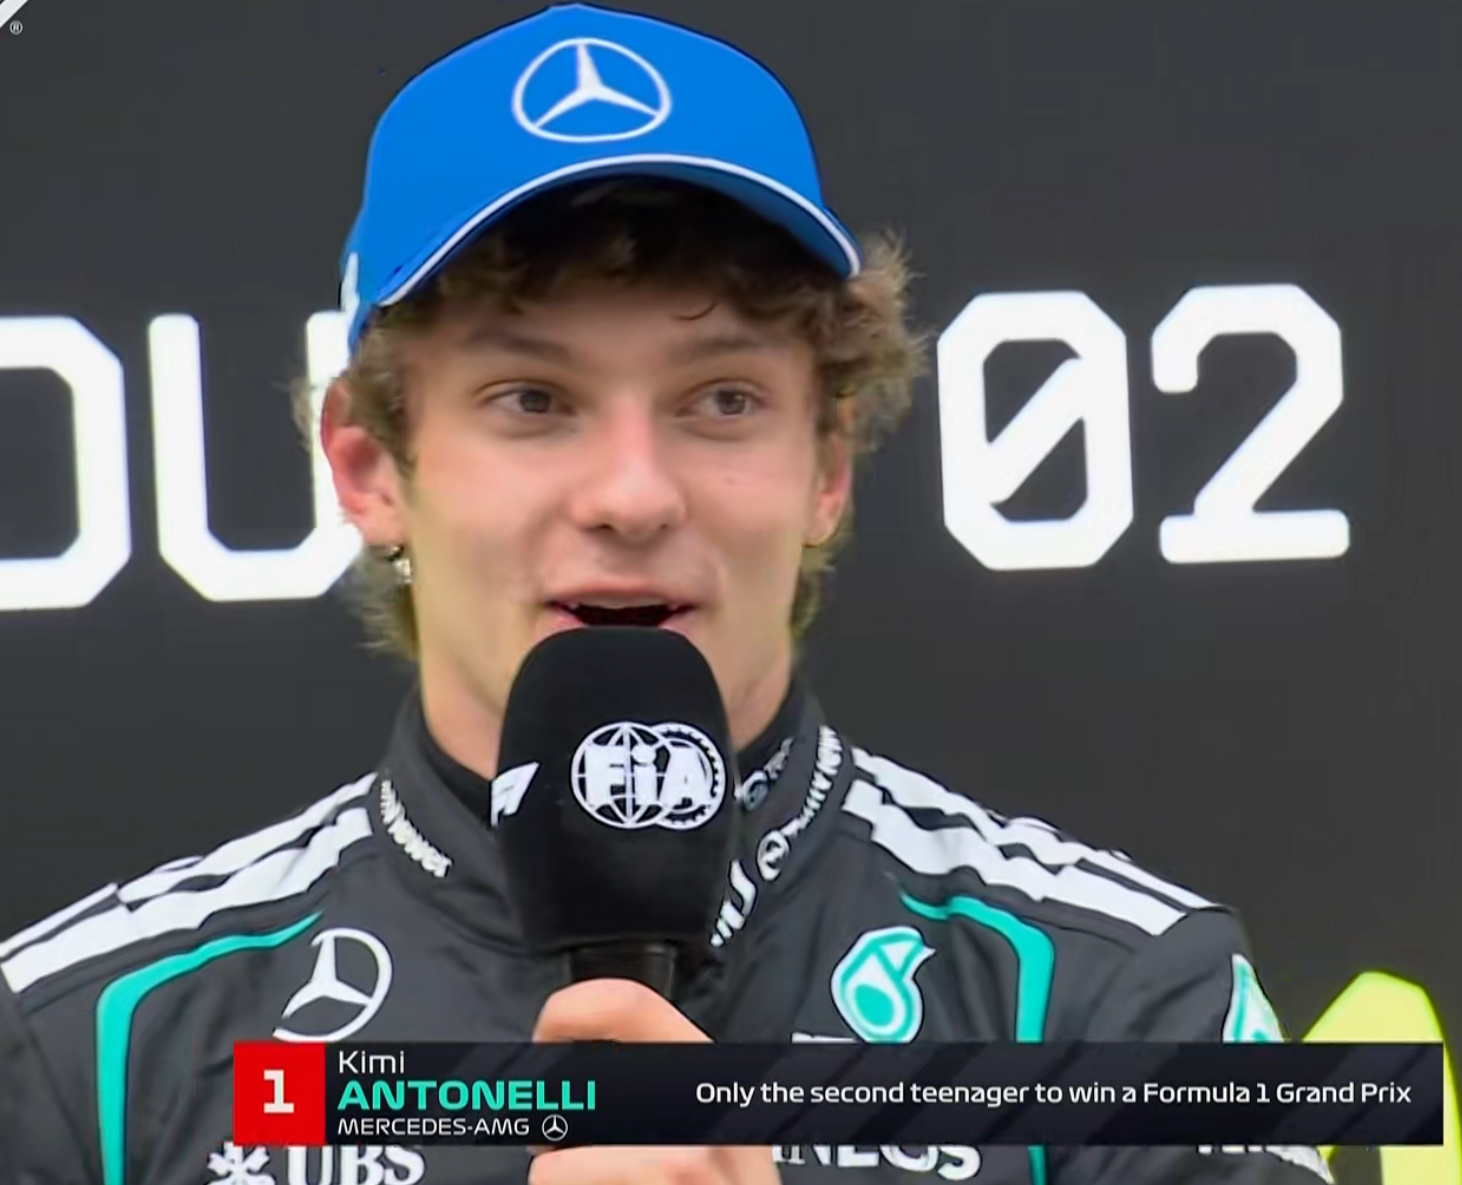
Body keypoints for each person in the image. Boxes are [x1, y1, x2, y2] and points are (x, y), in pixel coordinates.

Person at [0, 5, 1335, 1185]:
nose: (633, 495)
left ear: (826, 464)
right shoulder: (86, 1050)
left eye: (721, 399)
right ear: (369, 465)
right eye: (533, 400)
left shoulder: (1125, 1005)